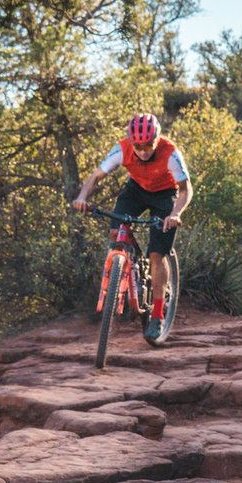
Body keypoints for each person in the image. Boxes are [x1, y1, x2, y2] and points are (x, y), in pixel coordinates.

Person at [72, 112, 193, 342]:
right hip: (136, 190)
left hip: (164, 194)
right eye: (138, 146)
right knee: (116, 232)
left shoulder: (171, 153)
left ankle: (157, 315)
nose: (143, 150)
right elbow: (95, 176)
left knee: (157, 254)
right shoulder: (122, 149)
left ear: (156, 140)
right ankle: (123, 265)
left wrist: (175, 213)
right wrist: (82, 197)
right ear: (131, 142)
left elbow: (186, 190)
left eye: (148, 145)